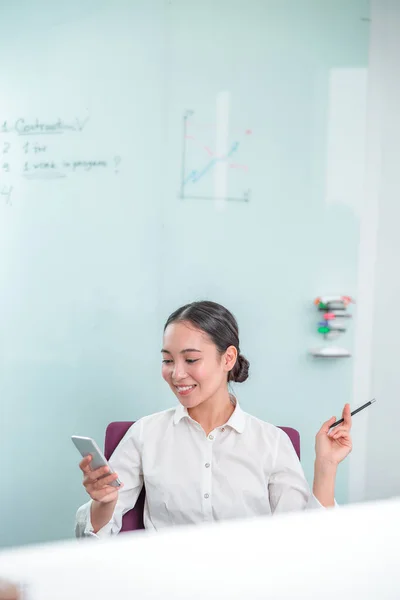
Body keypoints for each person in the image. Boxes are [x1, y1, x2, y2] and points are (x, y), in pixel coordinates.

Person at [75, 301, 352, 537]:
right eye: (168, 360)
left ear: (228, 358)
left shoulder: (272, 442)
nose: (176, 374)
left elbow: (304, 540)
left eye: (191, 360)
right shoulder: (146, 434)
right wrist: (103, 503)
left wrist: (326, 466)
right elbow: (94, 538)